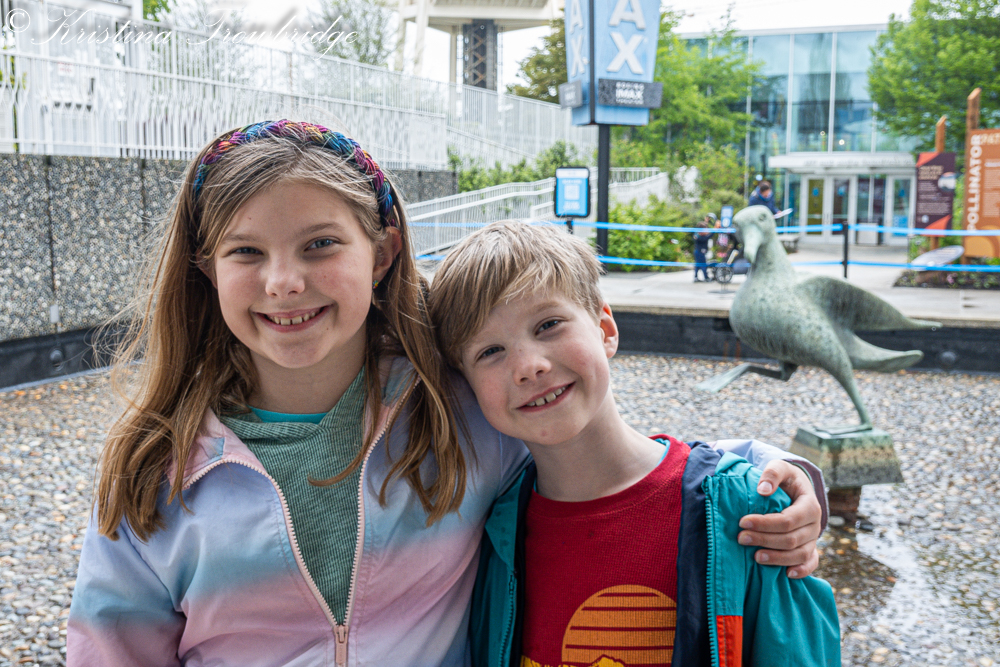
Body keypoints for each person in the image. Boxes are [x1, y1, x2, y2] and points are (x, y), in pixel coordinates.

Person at [67, 121, 825, 666]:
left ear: (384, 250)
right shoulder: (156, 468)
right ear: (206, 269)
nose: (284, 281)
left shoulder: (454, 408)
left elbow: (612, 454)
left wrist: (778, 476)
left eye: (320, 244)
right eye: (246, 252)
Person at [429, 221, 840, 667]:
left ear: (605, 329)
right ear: (465, 385)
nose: (529, 365)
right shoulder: (494, 533)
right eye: (490, 351)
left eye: (548, 325)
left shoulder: (747, 515)